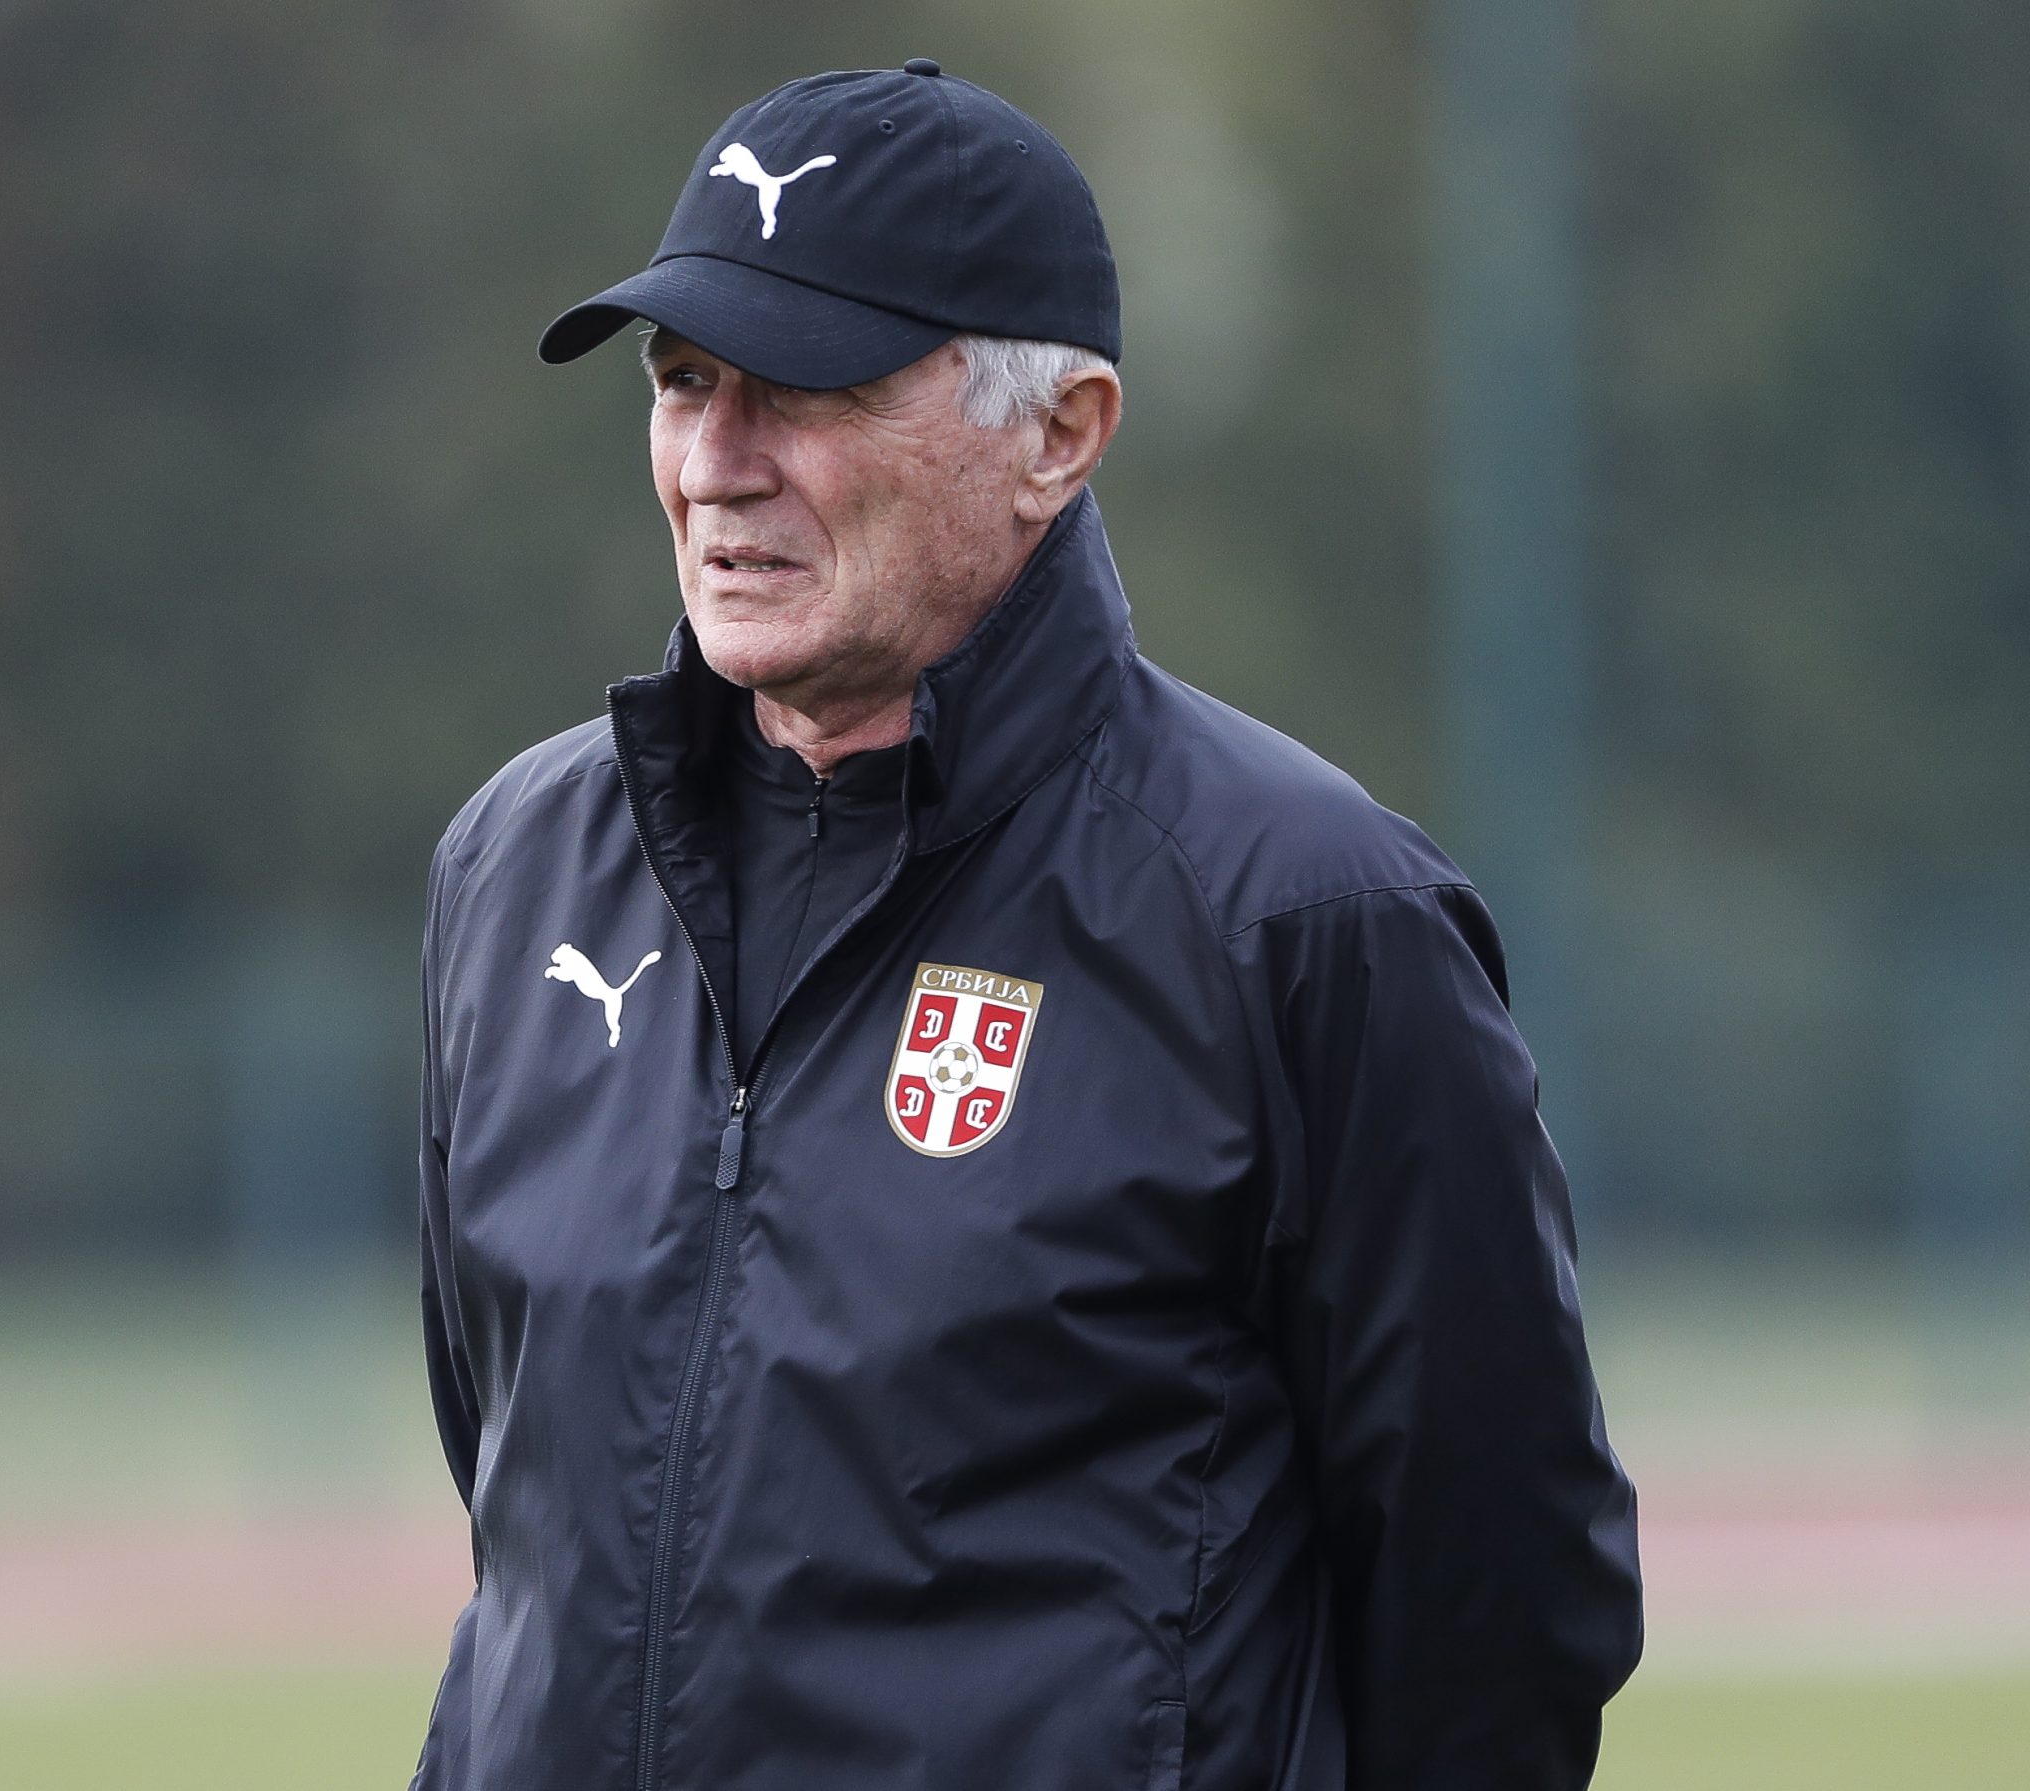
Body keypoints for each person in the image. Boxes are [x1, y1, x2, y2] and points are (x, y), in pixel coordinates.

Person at [412, 61, 1642, 1791]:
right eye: (684, 382)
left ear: (1056, 436)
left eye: (804, 386)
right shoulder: (516, 870)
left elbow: (1499, 1597)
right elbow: (517, 1488)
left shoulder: (1299, 911)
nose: (716, 463)